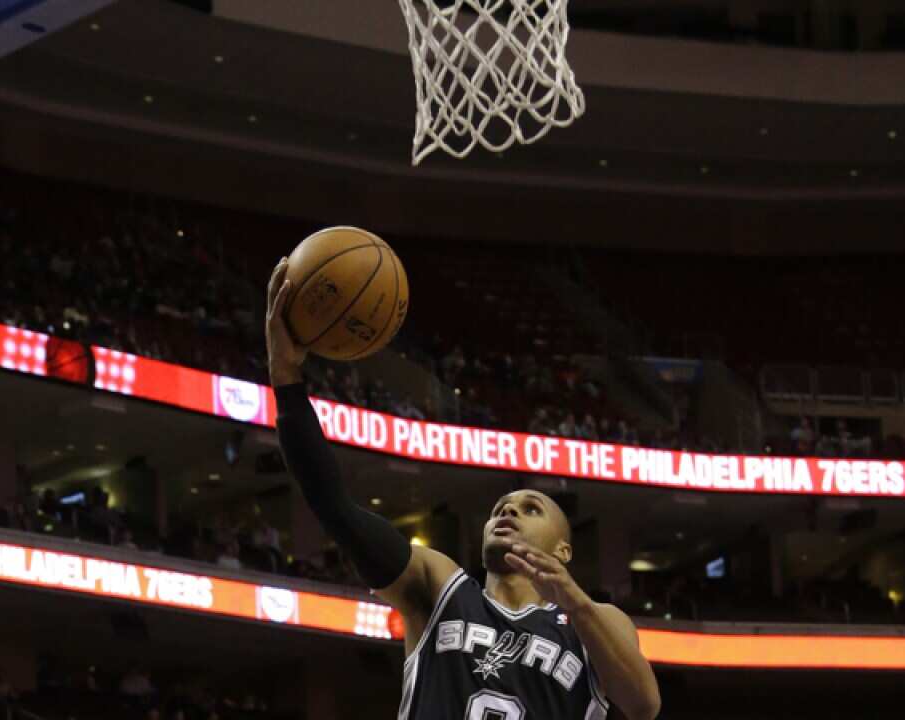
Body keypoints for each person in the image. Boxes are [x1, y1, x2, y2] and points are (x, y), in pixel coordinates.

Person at [265, 258, 659, 720]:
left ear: (564, 550)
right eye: (499, 509)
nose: (507, 513)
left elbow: (643, 705)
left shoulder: (594, 621)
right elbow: (335, 507)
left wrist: (573, 601)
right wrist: (287, 380)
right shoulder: (439, 588)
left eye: (530, 509)